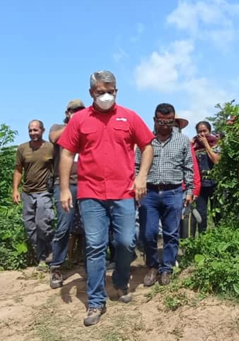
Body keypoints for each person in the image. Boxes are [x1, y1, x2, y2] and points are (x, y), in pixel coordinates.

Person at [57, 70, 154, 327]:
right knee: (95, 246)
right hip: (90, 193)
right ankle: (96, 301)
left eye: (110, 91)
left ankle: (121, 282)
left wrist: (141, 176)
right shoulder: (79, 120)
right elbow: (67, 154)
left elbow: (147, 146)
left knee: (125, 242)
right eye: (101, 92)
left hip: (123, 191)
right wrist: (65, 189)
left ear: (117, 91)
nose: (106, 96)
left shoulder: (129, 116)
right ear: (92, 93)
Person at [136, 104, 194, 287]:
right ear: (154, 120)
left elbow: (188, 167)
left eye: (169, 122)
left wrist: (190, 190)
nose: (164, 125)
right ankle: (152, 266)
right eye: (161, 121)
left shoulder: (183, 141)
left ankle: (167, 268)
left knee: (171, 232)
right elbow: (137, 166)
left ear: (174, 120)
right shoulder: (145, 140)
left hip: (173, 192)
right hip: (150, 192)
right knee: (149, 232)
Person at [48, 99, 86, 288]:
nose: (78, 113)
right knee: (64, 226)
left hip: (87, 184)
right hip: (65, 185)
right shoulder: (59, 127)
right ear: (67, 112)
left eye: (81, 110)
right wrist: (74, 122)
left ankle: (89, 266)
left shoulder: (88, 128)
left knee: (90, 227)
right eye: (74, 110)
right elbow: (54, 137)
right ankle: (56, 267)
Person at [12, 120, 55, 271]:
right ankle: (42, 258)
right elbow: (18, 170)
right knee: (30, 227)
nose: (33, 133)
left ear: (42, 131)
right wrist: (15, 190)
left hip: (44, 191)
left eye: (35, 130)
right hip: (27, 193)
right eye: (30, 130)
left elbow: (58, 167)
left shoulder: (50, 148)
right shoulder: (22, 148)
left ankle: (52, 251)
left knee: (43, 224)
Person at [192, 121, 221, 231]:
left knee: (217, 212)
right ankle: (202, 238)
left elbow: (216, 160)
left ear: (209, 131)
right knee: (201, 214)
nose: (202, 134)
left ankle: (219, 236)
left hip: (215, 183)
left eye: (205, 131)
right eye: (200, 132)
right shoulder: (194, 146)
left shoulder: (217, 144)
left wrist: (206, 145)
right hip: (200, 185)